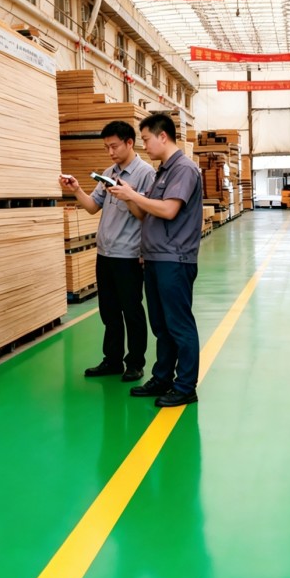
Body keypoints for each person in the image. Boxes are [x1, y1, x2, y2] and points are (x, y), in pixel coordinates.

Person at [110, 112, 203, 407]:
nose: (145, 146)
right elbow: (146, 213)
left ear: (163, 136)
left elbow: (168, 210)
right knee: (161, 326)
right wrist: (128, 197)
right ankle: (162, 377)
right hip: (155, 258)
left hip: (174, 259)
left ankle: (185, 386)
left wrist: (134, 195)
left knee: (179, 325)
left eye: (147, 139)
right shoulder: (162, 171)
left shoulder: (184, 169)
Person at [59, 120, 155, 382]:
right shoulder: (108, 172)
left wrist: (128, 195)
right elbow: (92, 207)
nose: (110, 152)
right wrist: (76, 189)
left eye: (114, 146)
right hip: (105, 254)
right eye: (106, 147)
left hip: (129, 255)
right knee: (109, 311)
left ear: (129, 143)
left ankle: (135, 363)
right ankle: (112, 360)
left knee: (131, 311)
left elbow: (146, 215)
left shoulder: (145, 173)